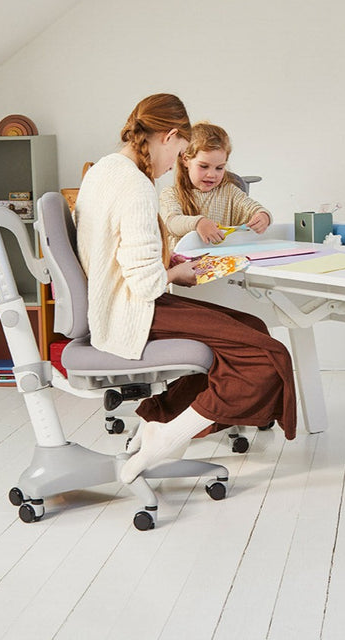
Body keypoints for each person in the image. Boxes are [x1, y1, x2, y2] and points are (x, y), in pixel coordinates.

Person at [74, 94, 296, 484]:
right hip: (135, 310)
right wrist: (178, 275)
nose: (170, 163)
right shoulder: (136, 185)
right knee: (267, 355)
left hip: (113, 304)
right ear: (172, 137)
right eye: (179, 149)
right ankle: (167, 436)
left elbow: (113, 254)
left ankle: (156, 420)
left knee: (255, 331)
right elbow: (145, 283)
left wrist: (169, 265)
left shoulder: (102, 170)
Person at [159, 121, 271, 250]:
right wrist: (198, 223)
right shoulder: (171, 194)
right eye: (204, 166)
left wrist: (263, 216)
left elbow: (253, 208)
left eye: (219, 168)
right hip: (182, 264)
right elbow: (171, 222)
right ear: (185, 159)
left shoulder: (230, 192)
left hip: (220, 264)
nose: (212, 174)